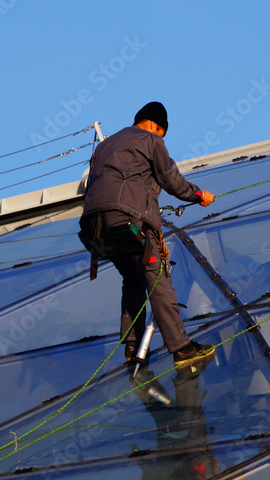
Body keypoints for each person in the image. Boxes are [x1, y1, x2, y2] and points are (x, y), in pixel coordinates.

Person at [79, 101, 216, 369]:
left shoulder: (103, 146)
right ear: (154, 125)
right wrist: (199, 195)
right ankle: (181, 347)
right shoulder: (150, 140)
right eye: (161, 133)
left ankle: (132, 345)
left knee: (132, 278)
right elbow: (171, 179)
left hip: (95, 225)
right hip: (128, 220)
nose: (160, 138)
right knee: (157, 280)